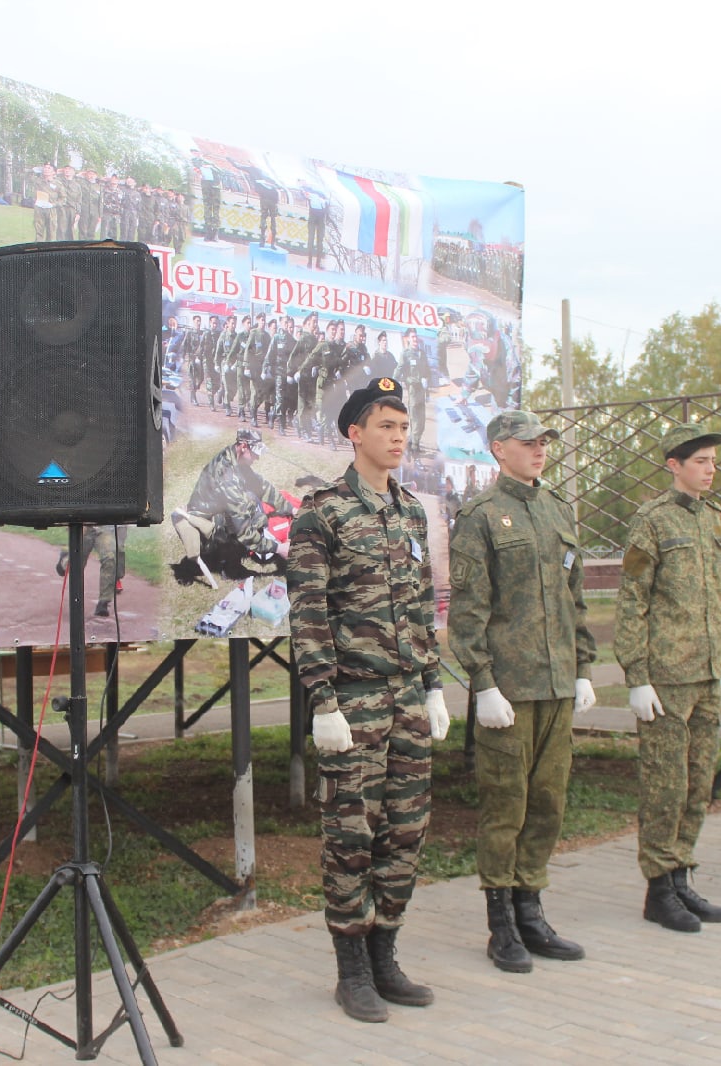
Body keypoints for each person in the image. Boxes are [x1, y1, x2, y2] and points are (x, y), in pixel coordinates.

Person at [284, 376, 451, 1023]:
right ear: (355, 434)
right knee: (351, 836)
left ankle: (385, 957)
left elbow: (421, 604)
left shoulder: (411, 511)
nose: (399, 438)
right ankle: (351, 970)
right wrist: (322, 700)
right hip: (353, 703)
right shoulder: (323, 513)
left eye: (404, 428)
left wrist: (433, 685)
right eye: (386, 426)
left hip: (407, 700)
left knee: (404, 833)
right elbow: (308, 612)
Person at [449, 410, 597, 972]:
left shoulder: (558, 508)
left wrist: (583, 667)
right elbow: (468, 612)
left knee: (548, 802)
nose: (540, 450)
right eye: (528, 442)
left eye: (544, 442)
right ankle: (502, 923)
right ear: (498, 448)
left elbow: (573, 597)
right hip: (510, 689)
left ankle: (531, 909)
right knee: (505, 805)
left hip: (557, 682)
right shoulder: (481, 516)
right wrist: (483, 684)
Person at [615, 424, 721, 933]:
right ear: (674, 465)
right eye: (700, 461)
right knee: (666, 786)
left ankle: (682, 874)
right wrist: (637, 675)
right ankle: (659, 887)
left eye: (712, 461)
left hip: (706, 674)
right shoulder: (652, 521)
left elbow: (720, 597)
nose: (710, 470)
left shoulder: (715, 518)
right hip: (666, 677)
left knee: (698, 783)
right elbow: (633, 600)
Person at [170, 428, 293, 588]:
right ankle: (230, 568)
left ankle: (224, 557)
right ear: (244, 446)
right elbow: (244, 532)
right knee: (253, 520)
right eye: (255, 453)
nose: (257, 458)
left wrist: (290, 508)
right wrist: (279, 548)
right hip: (205, 526)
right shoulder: (227, 475)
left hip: (212, 513)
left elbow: (260, 485)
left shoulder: (234, 457)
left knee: (252, 502)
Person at [55, 525, 124, 618]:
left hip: (104, 527)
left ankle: (104, 602)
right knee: (76, 560)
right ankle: (65, 561)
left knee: (110, 558)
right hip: (84, 525)